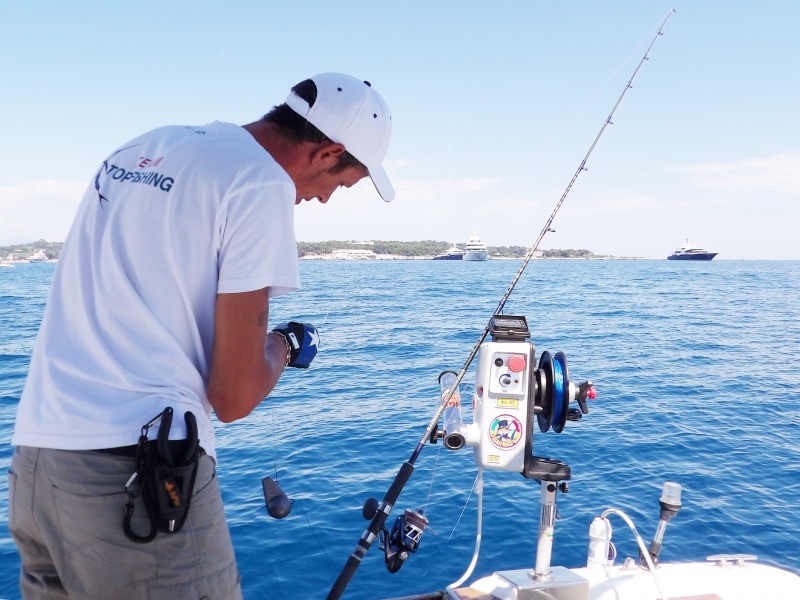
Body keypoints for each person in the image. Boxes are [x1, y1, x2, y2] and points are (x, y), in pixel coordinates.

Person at [8, 72, 394, 599]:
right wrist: (285, 346)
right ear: (328, 152)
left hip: (38, 461)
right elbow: (232, 397)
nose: (326, 199)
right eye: (340, 184)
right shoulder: (261, 182)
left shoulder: (147, 144)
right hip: (136, 479)